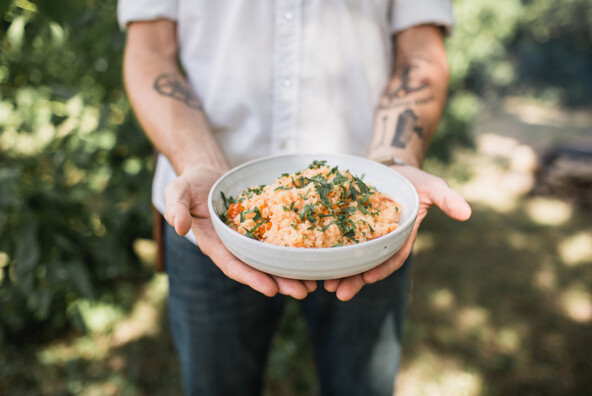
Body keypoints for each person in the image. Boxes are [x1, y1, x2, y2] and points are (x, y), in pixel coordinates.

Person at [119, 1, 471, 395]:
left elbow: (420, 52)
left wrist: (392, 162)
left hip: (368, 235)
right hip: (208, 218)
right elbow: (149, 49)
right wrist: (201, 163)